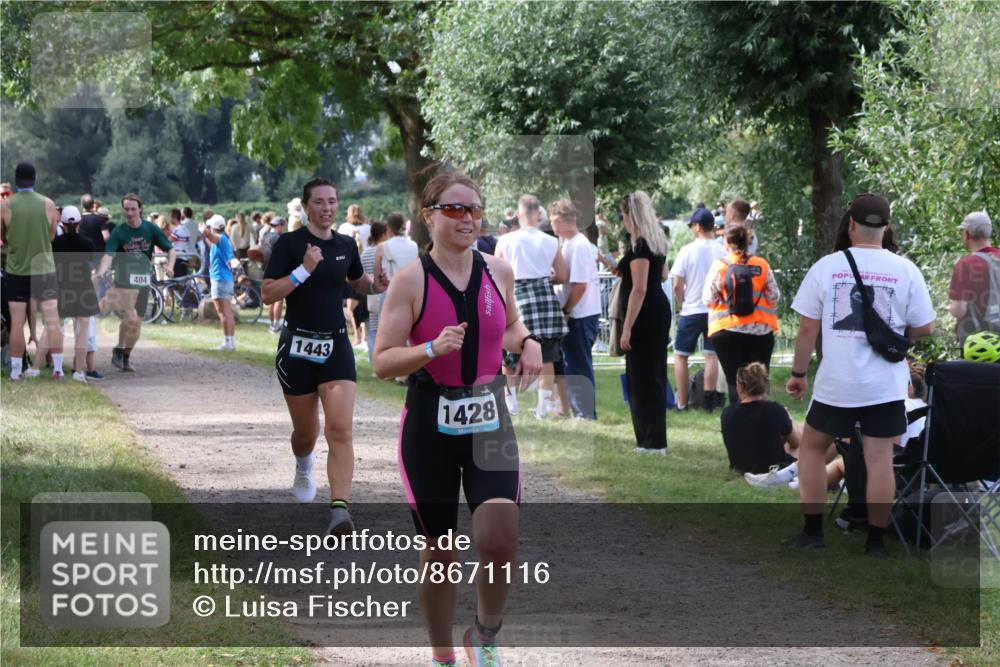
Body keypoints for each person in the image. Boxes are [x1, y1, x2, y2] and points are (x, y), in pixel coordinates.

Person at [372, 171, 542, 667]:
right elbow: (382, 361)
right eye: (454, 209)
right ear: (429, 216)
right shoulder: (411, 281)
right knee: (440, 551)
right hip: (430, 423)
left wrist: (528, 342)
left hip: (489, 415)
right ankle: (443, 655)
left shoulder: (498, 270)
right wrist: (429, 348)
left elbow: (507, 325)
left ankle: (485, 636)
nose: (467, 218)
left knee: (500, 537)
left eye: (474, 209)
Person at [786, 193, 936, 558]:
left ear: (851, 224)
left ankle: (812, 531)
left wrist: (799, 373)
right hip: (884, 385)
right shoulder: (905, 270)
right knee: (879, 458)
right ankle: (874, 542)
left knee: (812, 448)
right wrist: (896, 338)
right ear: (885, 228)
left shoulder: (826, 266)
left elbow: (807, 330)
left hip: (836, 384)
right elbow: (926, 326)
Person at [261, 177, 388, 536]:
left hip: (336, 345)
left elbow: (357, 281)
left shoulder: (347, 243)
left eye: (332, 201)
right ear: (306, 207)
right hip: (297, 348)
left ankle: (339, 509)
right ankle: (304, 463)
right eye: (319, 202)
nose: (327, 208)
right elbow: (269, 294)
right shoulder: (290, 243)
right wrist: (304, 269)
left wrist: (375, 285)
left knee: (340, 429)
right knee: (307, 432)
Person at [495, 194, 569, 418]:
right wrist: (547, 278)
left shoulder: (506, 240)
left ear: (518, 215)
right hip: (544, 296)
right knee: (547, 356)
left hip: (515, 296)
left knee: (508, 352)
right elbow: (563, 275)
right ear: (539, 214)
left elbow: (495, 272)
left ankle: (512, 403)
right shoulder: (550, 241)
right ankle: (542, 408)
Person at [97, 192, 175, 373]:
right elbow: (108, 255)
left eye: (133, 209)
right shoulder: (119, 232)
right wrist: (101, 271)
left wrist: (170, 267)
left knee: (136, 324)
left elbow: (170, 250)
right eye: (126, 209)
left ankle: (123, 353)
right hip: (124, 282)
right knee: (130, 318)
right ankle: (117, 346)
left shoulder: (150, 229)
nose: (129, 213)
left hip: (143, 282)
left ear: (140, 209)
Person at [617, 191, 671, 454]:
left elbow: (639, 289)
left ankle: (651, 441)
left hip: (644, 313)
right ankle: (654, 439)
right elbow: (663, 275)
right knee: (654, 375)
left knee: (642, 377)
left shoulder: (640, 246)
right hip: (659, 309)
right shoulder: (657, 241)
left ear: (630, 215)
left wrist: (626, 327)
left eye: (623, 214)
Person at [1, 162, 64, 381]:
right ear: (34, 178)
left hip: (17, 269)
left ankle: (17, 371)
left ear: (16, 179)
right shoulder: (48, 204)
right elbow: (52, 236)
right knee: (52, 320)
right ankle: (57, 369)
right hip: (44, 268)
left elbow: (3, 236)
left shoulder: (5, 205)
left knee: (17, 322)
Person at [704, 224, 779, 405]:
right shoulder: (761, 265)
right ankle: (760, 421)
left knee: (734, 382)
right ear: (747, 241)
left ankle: (738, 422)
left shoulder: (720, 266)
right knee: (759, 382)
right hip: (760, 333)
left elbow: (707, 298)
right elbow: (775, 297)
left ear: (727, 243)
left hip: (726, 332)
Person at [670, 207, 727, 412]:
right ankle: (709, 403)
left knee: (681, 356)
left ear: (697, 227)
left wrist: (681, 302)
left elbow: (677, 284)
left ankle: (682, 403)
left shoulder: (687, 250)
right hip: (715, 309)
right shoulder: (722, 250)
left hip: (692, 308)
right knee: (711, 356)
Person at [550, 199, 601, 420]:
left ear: (559, 220)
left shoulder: (578, 245)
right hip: (579, 312)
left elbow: (580, 285)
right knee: (573, 363)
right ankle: (580, 410)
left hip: (580, 314)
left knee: (578, 365)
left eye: (552, 221)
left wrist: (567, 309)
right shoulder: (572, 244)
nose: (551, 225)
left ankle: (585, 413)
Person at [720, 362, 800, 474]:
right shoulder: (775, 410)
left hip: (741, 469)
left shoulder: (727, 413)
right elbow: (796, 443)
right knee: (809, 437)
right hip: (774, 469)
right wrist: (789, 417)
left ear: (741, 386)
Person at [51, 206, 100, 382]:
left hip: (63, 288)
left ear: (62, 223)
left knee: (57, 328)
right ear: (80, 223)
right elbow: (89, 265)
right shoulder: (88, 243)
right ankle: (78, 371)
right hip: (83, 289)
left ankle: (57, 367)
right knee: (82, 333)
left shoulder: (55, 243)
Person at [949, 211, 999, 345]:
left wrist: (950, 308)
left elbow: (959, 311)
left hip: (978, 347)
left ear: (966, 234)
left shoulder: (965, 265)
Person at [203, 215, 236, 351]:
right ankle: (230, 342)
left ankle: (228, 343)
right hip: (225, 279)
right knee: (226, 312)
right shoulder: (224, 240)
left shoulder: (221, 239)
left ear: (213, 227)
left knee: (223, 312)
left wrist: (203, 229)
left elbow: (210, 237)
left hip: (220, 279)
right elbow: (211, 240)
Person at [359, 220, 387, 365]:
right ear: (383, 235)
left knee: (372, 330)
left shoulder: (366, 252)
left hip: (370, 294)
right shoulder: (385, 251)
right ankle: (384, 362)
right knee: (385, 329)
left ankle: (374, 363)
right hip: (385, 294)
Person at [259, 215, 287, 333]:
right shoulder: (280, 238)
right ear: (280, 226)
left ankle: (272, 324)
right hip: (278, 270)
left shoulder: (266, 236)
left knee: (271, 298)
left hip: (267, 270)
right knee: (279, 298)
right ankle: (276, 324)